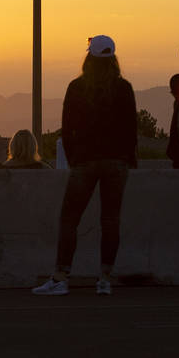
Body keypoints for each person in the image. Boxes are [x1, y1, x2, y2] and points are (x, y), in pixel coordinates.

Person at [33, 35, 137, 297]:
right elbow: (130, 129)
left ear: (88, 57)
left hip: (85, 161)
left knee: (70, 219)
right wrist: (127, 159)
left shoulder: (77, 87)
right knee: (111, 220)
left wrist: (73, 158)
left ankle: (61, 276)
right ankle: (104, 278)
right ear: (113, 58)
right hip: (116, 163)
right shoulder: (123, 88)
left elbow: (67, 128)